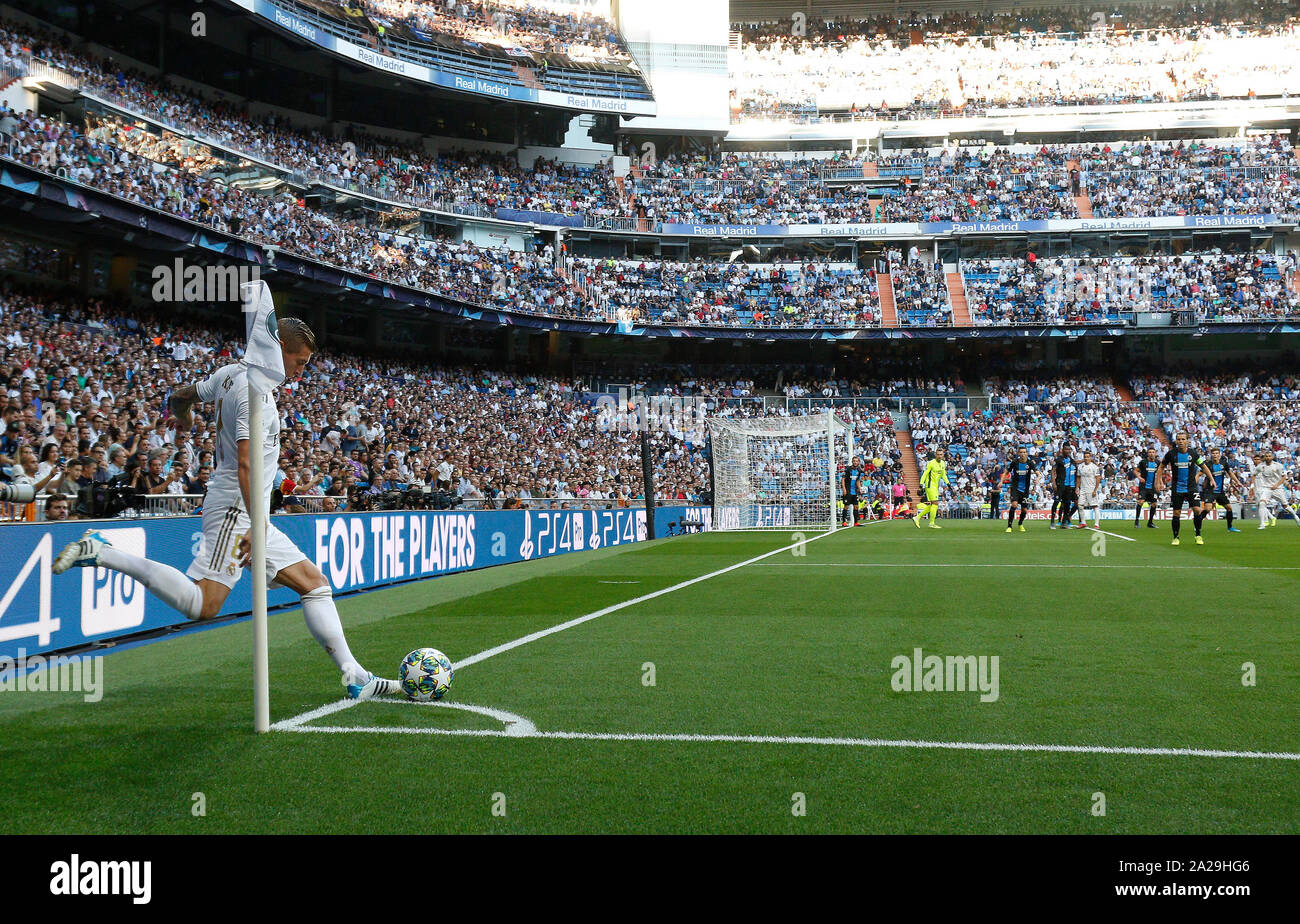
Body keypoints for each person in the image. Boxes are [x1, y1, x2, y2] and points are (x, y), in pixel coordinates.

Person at [52, 317, 400, 700]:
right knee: (203, 604)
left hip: (248, 508)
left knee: (315, 585)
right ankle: (104, 550)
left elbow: (182, 395)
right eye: (299, 361)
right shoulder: (257, 398)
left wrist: (181, 416)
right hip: (238, 507)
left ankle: (355, 676)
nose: (302, 370)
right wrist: (255, 522)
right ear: (278, 348)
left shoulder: (230, 373)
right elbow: (246, 465)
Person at [1155, 431, 1216, 546]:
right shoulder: (1171, 454)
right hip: (1177, 488)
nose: (1181, 441)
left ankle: (1198, 534)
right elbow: (1161, 466)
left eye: (1183, 439)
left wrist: (1211, 478)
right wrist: (1159, 481)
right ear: (1176, 441)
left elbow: (1203, 466)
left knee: (1197, 510)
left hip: (1191, 487)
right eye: (1179, 439)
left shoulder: (1193, 454)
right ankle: (1176, 537)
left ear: (1187, 441)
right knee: (1176, 513)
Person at [1198, 446, 1242, 533]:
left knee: (1229, 508)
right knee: (1207, 509)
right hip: (1209, 491)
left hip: (1220, 491)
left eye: (1216, 453)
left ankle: (1230, 527)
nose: (1215, 455)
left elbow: (1230, 473)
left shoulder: (1223, 463)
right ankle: (1197, 524)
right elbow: (1199, 474)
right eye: (1213, 453)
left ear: (1219, 454)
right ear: (1211, 454)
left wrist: (1237, 481)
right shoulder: (1208, 465)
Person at [1251, 449, 1290, 529]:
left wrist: (1284, 483)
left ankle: (1265, 521)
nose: (1257, 460)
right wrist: (1252, 487)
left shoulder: (1264, 467)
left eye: (1258, 459)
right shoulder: (1255, 468)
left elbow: (1275, 477)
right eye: (1255, 459)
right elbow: (1254, 477)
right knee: (1260, 505)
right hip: (1257, 489)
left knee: (1262, 504)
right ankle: (1271, 518)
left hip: (1264, 488)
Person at [915, 447, 949, 529]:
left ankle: (917, 517)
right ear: (935, 455)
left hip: (935, 486)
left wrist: (948, 484)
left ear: (943, 455)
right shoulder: (931, 463)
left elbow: (943, 475)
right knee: (936, 503)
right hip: (929, 485)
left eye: (941, 454)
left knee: (933, 504)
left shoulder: (943, 463)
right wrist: (921, 484)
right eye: (938, 454)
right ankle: (931, 523)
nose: (939, 456)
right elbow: (925, 473)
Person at [1005, 446, 1034, 533]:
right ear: (1018, 453)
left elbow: (1037, 471)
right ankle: (1009, 526)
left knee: (1024, 510)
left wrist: (1039, 477)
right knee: (1014, 505)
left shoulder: (1030, 463)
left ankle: (1020, 523)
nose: (1023, 454)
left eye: (1024, 452)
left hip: (1025, 490)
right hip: (1015, 488)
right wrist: (1001, 481)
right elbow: (1007, 472)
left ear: (1026, 453)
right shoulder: (1015, 462)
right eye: (1021, 452)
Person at [1133, 447, 1160, 529]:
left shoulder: (1157, 463)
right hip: (1144, 487)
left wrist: (1160, 483)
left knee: (1154, 504)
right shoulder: (1143, 462)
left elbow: (1159, 473)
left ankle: (1150, 522)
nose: (1151, 453)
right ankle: (1137, 521)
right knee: (1141, 502)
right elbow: (1135, 471)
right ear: (1148, 454)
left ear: (1155, 453)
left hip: (1152, 487)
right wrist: (1139, 477)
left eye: (1153, 452)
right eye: (1150, 452)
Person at [1076, 449, 1102, 529]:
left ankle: (1096, 524)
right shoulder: (1080, 466)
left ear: (1090, 458)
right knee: (1080, 505)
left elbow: (1098, 478)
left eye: (1088, 457)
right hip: (1083, 489)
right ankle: (1083, 523)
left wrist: (1095, 490)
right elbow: (1078, 478)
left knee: (1095, 506)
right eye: (1085, 457)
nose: (1086, 458)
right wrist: (1077, 488)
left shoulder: (1094, 467)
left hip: (1091, 489)